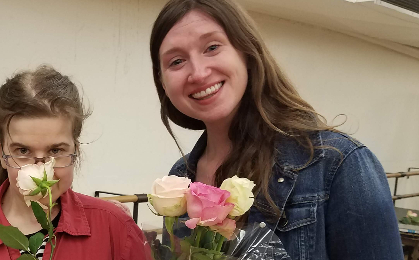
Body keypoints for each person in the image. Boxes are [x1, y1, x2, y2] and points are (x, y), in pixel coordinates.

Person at [148, 0, 403, 259]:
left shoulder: (336, 164)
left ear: (247, 51)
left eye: (212, 47)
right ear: (163, 81)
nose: (198, 73)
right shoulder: (180, 178)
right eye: (177, 61)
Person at [0, 65, 151, 260]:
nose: (40, 170)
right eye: (22, 150)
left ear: (75, 151)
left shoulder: (115, 229)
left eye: (56, 150)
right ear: (2, 154)